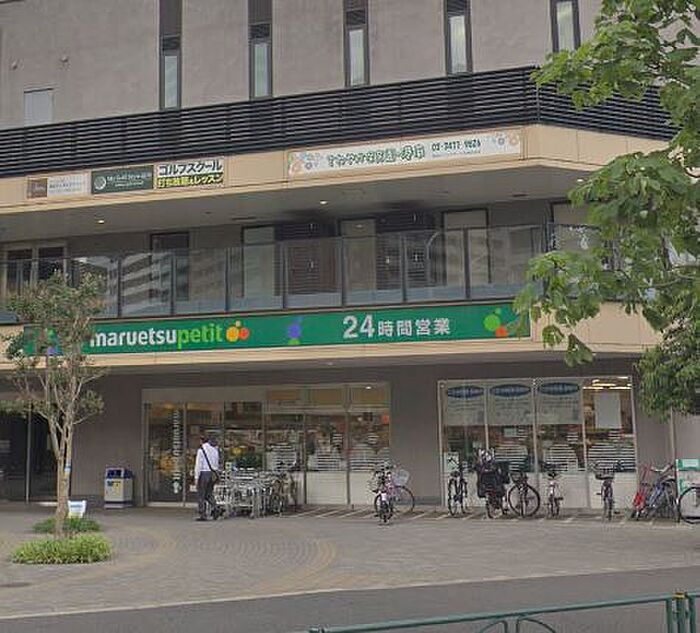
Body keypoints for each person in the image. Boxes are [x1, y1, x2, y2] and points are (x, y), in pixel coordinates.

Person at [194, 435, 220, 521]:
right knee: (209, 493)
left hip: (203, 473)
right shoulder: (215, 450)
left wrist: (196, 477)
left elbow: (198, 464)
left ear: (201, 441)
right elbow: (216, 463)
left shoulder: (201, 450)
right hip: (212, 474)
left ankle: (203, 514)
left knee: (201, 495)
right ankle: (216, 508)